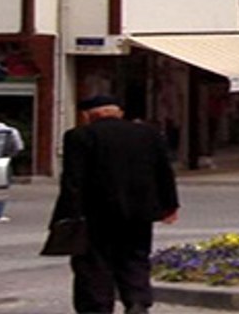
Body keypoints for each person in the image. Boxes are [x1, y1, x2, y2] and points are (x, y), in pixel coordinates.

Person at [50, 94, 179, 314]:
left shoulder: (79, 136)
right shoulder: (148, 134)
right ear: (118, 112)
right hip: (139, 213)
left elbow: (73, 181)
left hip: (95, 214)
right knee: (135, 258)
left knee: (93, 265)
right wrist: (169, 205)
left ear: (89, 115)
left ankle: (98, 307)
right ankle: (137, 302)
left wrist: (67, 216)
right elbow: (164, 172)